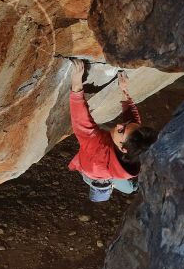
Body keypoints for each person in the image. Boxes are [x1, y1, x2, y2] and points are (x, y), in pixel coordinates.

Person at [68, 59, 158, 202]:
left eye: (121, 131)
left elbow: (81, 123)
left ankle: (99, 183)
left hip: (91, 166)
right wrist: (124, 90)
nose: (118, 126)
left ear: (123, 149)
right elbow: (133, 122)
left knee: (95, 168)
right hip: (109, 170)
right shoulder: (137, 146)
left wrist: (76, 83)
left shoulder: (97, 152)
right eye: (126, 125)